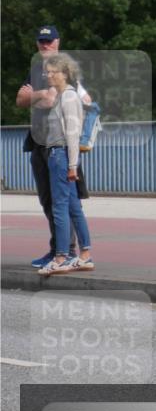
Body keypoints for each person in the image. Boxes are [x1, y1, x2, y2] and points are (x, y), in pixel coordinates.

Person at [36, 53, 94, 275]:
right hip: (62, 156)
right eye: (47, 72)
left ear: (65, 73)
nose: (49, 76)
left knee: (60, 207)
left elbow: (72, 134)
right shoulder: (62, 96)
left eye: (53, 72)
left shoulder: (68, 97)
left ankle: (61, 257)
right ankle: (85, 255)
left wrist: (72, 165)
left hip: (60, 156)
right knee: (73, 207)